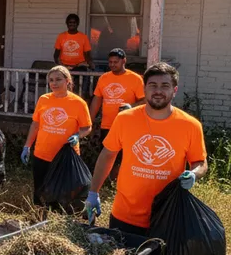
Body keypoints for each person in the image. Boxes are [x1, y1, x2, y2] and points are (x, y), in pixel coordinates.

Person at [86, 62, 208, 236]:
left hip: (167, 215)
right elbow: (107, 154)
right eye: (153, 85)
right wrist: (93, 192)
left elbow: (200, 162)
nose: (158, 91)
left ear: (174, 90)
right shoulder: (125, 119)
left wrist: (194, 173)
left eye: (165, 86)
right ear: (144, 89)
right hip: (125, 215)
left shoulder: (190, 125)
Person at [21, 66, 92, 206]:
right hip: (42, 154)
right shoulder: (43, 99)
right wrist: (27, 146)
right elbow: (35, 125)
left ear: (67, 81)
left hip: (65, 157)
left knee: (63, 193)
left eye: (58, 79)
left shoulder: (78, 103)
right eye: (51, 80)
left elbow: (87, 127)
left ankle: (59, 220)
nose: (54, 83)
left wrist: (78, 135)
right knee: (40, 190)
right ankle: (40, 218)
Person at [89, 48, 145, 140]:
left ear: (124, 61)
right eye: (110, 62)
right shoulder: (104, 78)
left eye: (115, 62)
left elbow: (145, 101)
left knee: (125, 154)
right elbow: (97, 100)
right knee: (106, 153)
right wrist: (90, 122)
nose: (112, 65)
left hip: (128, 126)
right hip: (107, 126)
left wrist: (131, 106)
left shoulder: (135, 78)